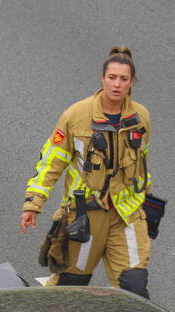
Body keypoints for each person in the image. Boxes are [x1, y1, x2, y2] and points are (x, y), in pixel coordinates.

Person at [21, 47, 153, 298]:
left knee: (134, 289)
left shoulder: (141, 117)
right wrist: (33, 203)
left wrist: (148, 206)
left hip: (126, 214)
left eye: (123, 79)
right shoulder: (75, 115)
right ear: (102, 79)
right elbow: (52, 161)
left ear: (132, 82)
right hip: (85, 216)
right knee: (71, 287)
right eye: (112, 77)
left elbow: (142, 165)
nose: (117, 84)